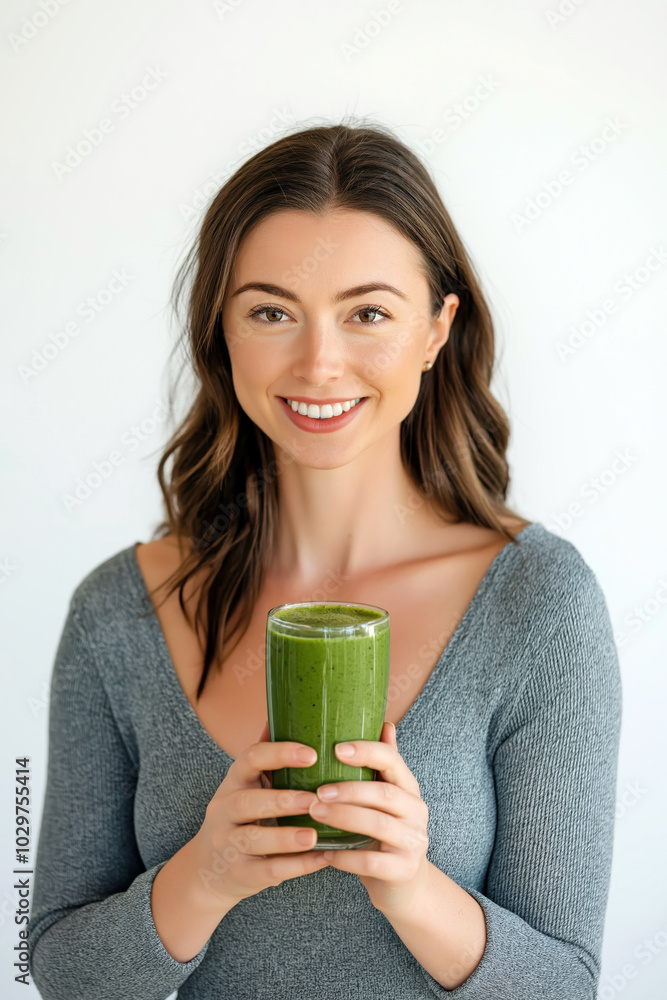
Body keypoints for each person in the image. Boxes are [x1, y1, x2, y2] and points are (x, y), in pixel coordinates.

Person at [28, 120, 622, 999]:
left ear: (435, 330)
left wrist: (411, 889)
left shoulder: (538, 603)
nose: (318, 363)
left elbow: (565, 985)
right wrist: (206, 875)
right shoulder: (119, 610)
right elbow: (59, 969)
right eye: (271, 312)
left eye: (368, 313)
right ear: (221, 332)